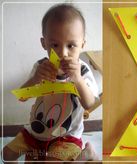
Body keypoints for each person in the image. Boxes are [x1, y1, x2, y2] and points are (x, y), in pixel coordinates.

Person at [2, 3, 99, 162]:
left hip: (66, 137)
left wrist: (78, 80)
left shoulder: (82, 71)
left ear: (82, 44)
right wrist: (35, 79)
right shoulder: (41, 67)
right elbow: (22, 97)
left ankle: (86, 154)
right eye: (55, 45)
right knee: (5, 154)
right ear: (44, 43)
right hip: (36, 131)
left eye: (71, 45)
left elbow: (89, 104)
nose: (63, 53)